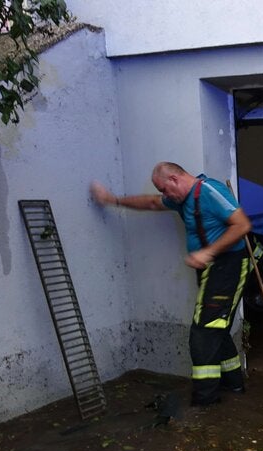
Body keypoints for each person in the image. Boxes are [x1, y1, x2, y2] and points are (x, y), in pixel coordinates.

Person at [90, 162, 252, 407]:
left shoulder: (209, 191)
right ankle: (234, 384)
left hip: (227, 267)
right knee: (215, 327)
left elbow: (242, 225)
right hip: (211, 270)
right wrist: (114, 200)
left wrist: (208, 253)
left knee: (203, 334)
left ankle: (205, 400)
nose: (165, 196)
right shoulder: (181, 199)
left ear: (176, 179)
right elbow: (152, 203)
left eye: (165, 189)